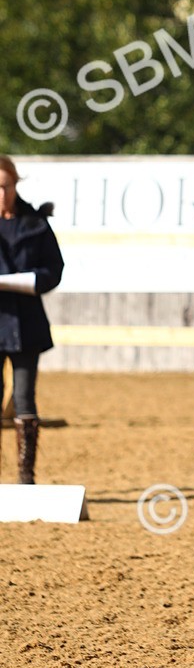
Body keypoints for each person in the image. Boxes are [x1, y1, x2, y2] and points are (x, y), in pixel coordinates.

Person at [0, 156, 65, 484]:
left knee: (25, 398)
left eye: (5, 186)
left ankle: (25, 476)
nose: (1, 194)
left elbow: (54, 271)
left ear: (15, 185)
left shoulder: (36, 223)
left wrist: (25, 281)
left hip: (26, 324)